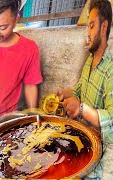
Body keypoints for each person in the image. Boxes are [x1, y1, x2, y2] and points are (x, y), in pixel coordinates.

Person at [56, 0, 113, 178]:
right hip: (80, 140)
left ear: (103, 27)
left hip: (98, 154)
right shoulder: (90, 61)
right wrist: (64, 93)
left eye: (91, 26)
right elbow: (79, 90)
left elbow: (111, 121)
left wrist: (81, 109)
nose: (87, 34)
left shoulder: (111, 70)